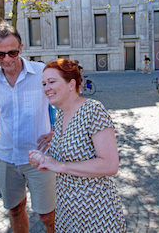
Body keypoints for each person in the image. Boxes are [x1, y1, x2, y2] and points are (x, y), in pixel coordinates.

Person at [29, 58, 126, 232]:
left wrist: (59, 165)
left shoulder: (92, 110)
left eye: (51, 82)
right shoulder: (60, 116)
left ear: (71, 84)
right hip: (68, 211)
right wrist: (43, 159)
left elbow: (110, 164)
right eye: (44, 83)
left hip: (95, 211)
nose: (46, 88)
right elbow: (65, 159)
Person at [0, 22, 56, 233]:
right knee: (15, 210)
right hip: (6, 157)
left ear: (21, 49)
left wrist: (56, 131)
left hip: (40, 156)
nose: (7, 59)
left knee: (48, 215)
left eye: (12, 52)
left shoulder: (42, 72)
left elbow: (66, 102)